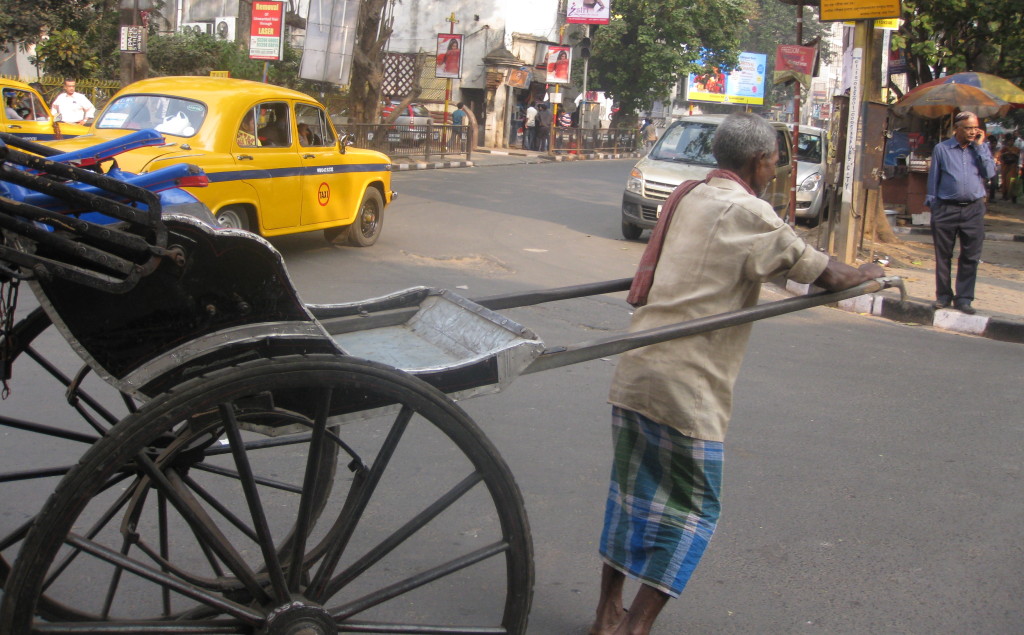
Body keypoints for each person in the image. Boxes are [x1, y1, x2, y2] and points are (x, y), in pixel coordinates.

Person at [590, 112, 884, 635]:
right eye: (774, 158)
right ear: (758, 161)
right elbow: (826, 274)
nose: (776, 167)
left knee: (630, 495)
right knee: (695, 508)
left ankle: (605, 613)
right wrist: (869, 274)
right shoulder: (752, 214)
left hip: (636, 369)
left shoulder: (690, 195)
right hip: (687, 389)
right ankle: (635, 627)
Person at [924, 110, 995, 314]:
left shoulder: (980, 149)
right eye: (968, 128)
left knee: (970, 256)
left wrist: (981, 147)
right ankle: (944, 295)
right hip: (946, 208)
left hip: (973, 209)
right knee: (943, 255)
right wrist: (934, 206)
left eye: (975, 128)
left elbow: (989, 173)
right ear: (957, 129)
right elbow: (934, 179)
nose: (973, 132)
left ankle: (964, 298)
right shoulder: (942, 149)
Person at [997, 133, 1020, 201]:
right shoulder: (1004, 149)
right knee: (1005, 181)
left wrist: (1014, 153)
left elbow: (1019, 157)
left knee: (1012, 181)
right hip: (1005, 167)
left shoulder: (1017, 149)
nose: (1011, 142)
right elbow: (1000, 156)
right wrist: (1005, 154)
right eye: (1010, 140)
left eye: (1012, 141)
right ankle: (1005, 195)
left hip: (1013, 167)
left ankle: (1013, 196)